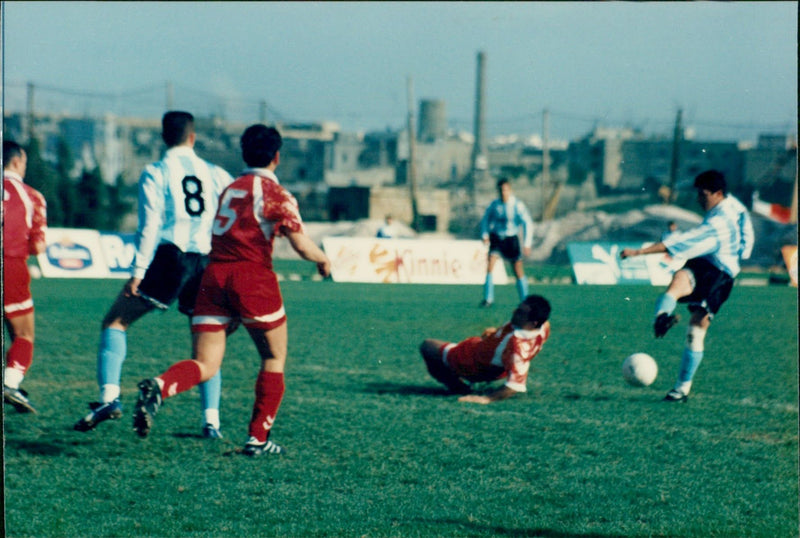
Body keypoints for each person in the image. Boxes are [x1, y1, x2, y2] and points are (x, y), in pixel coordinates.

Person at [132, 124, 332, 456]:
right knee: (273, 356)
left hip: (213, 277)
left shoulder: (230, 189)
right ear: (277, 157)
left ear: (243, 153)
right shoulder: (275, 193)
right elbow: (301, 244)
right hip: (252, 277)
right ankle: (257, 439)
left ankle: (160, 386)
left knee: (205, 362)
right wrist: (323, 260)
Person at [73, 111, 234, 437]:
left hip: (171, 258)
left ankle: (109, 398)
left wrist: (137, 272)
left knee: (116, 321)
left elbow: (149, 226)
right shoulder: (217, 173)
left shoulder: (156, 171)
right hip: (207, 260)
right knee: (206, 346)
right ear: (193, 137)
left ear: (164, 137)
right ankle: (211, 422)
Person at [620, 170, 754, 402]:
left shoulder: (718, 223)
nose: (699, 200)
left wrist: (638, 252)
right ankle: (662, 316)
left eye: (703, 195)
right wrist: (744, 248)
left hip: (721, 274)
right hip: (707, 261)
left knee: (695, 332)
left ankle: (681, 388)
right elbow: (746, 228)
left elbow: (677, 243)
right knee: (679, 279)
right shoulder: (733, 205)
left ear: (718, 193)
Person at [419, 294, 551, 404]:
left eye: (520, 313)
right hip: (482, 352)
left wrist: (486, 398)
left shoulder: (517, 346)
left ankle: (457, 387)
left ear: (533, 322)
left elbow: (514, 386)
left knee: (427, 346)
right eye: (518, 308)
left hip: (472, 363)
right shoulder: (543, 326)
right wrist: (497, 333)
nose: (514, 312)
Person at [3, 140, 48, 414]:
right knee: (23, 335)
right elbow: (38, 245)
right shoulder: (31, 195)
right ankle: (10, 383)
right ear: (18, 161)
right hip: (10, 264)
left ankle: (13, 389)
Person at [479, 178, 534, 307]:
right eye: (501, 190)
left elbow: (527, 223)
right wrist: (485, 234)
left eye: (506, 189)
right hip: (497, 238)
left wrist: (527, 243)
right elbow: (485, 220)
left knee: (517, 270)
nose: (503, 192)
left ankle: (525, 300)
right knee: (490, 265)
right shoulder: (494, 205)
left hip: (511, 239)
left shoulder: (517, 205)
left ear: (510, 190)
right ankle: (488, 299)